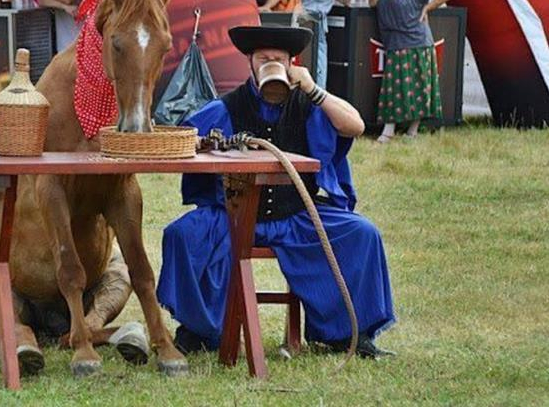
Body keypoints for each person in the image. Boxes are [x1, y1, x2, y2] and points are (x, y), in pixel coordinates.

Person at [156, 24, 396, 359]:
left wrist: (313, 89)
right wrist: (205, 144)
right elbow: (183, 136)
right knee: (182, 235)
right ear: (251, 64)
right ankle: (199, 331)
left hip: (297, 216)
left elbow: (354, 126)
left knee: (362, 234)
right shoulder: (227, 108)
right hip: (235, 218)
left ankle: (346, 336)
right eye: (264, 58)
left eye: (279, 59)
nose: (272, 64)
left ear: (291, 64)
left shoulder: (309, 104)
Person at [368, 0, 454, 142]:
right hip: (394, 42)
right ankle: (390, 130)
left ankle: (411, 131)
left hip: (416, 42)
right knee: (393, 89)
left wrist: (427, 8)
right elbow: (372, 1)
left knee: (417, 88)